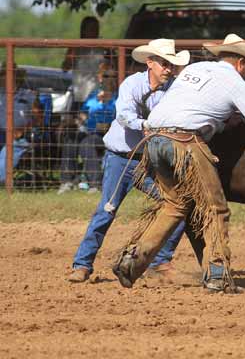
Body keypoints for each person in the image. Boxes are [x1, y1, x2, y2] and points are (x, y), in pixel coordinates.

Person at [112, 34, 245, 292]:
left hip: (154, 140)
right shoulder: (238, 86)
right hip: (185, 142)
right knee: (215, 208)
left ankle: (132, 261)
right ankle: (218, 275)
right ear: (242, 64)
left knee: (175, 205)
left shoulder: (194, 69)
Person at [67, 39, 190, 283]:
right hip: (121, 159)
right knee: (106, 211)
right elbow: (124, 116)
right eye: (164, 64)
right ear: (150, 63)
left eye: (172, 65)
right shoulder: (132, 84)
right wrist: (147, 125)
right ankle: (82, 264)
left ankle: (160, 260)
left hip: (149, 161)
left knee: (178, 206)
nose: (168, 69)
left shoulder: (175, 90)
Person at [57, 69, 118, 193]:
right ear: (100, 78)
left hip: (107, 134)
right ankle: (67, 181)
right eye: (105, 76)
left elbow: (117, 121)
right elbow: (83, 115)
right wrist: (72, 122)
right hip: (89, 131)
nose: (108, 79)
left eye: (112, 76)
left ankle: (94, 184)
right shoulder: (93, 95)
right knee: (71, 139)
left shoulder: (118, 97)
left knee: (87, 143)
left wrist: (102, 126)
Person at [62, 16, 110, 103]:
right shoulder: (75, 47)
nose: (94, 31)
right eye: (91, 28)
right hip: (81, 95)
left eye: (96, 28)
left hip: (100, 95)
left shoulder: (104, 47)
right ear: (83, 30)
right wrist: (73, 53)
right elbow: (65, 68)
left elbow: (113, 65)